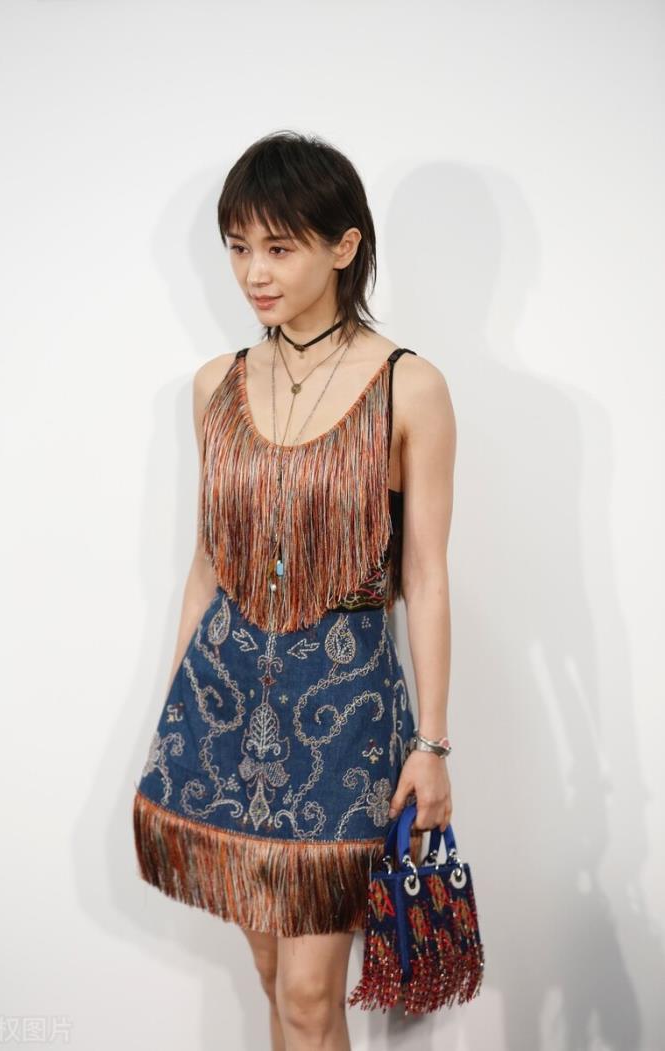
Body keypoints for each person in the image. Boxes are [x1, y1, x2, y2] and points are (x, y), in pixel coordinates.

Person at [133, 130, 456, 1049]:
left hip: (346, 709)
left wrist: (433, 743)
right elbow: (209, 563)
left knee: (313, 996)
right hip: (222, 701)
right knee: (275, 981)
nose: (253, 272)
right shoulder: (218, 384)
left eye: (278, 247)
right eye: (238, 246)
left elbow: (426, 574)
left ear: (344, 245)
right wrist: (178, 709)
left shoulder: (409, 386)